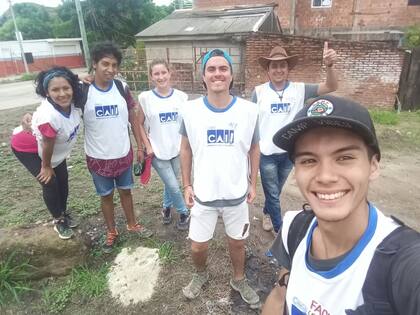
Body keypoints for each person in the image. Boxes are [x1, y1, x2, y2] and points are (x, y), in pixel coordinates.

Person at [261, 95, 420, 314]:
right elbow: (280, 296)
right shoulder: (295, 228)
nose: (325, 176)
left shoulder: (404, 265)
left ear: (373, 166)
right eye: (308, 160)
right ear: (296, 173)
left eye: (344, 157)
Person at [180, 49, 261, 308]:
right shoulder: (190, 110)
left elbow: (254, 147)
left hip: (236, 194)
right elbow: (185, 149)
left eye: (223, 68)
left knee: (237, 244)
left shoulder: (249, 111)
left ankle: (238, 279)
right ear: (202, 76)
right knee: (197, 247)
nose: (217, 73)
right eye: (211, 69)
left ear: (231, 75)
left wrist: (252, 182)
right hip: (203, 194)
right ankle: (200, 273)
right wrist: (187, 185)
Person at [252, 43, 338, 234]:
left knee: (276, 190)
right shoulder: (258, 92)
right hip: (266, 153)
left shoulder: (301, 90)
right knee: (273, 193)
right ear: (268, 70)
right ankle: (280, 230)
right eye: (274, 66)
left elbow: (332, 86)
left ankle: (267, 212)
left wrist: (330, 66)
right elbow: (250, 122)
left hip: (290, 153)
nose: (278, 69)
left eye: (282, 65)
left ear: (288, 68)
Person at [82, 41, 152, 253]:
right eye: (105, 64)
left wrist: (140, 147)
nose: (110, 69)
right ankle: (111, 230)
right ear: (95, 63)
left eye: (114, 65)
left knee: (126, 192)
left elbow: (133, 117)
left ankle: (132, 225)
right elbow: (57, 90)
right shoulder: (83, 90)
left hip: (123, 154)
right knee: (106, 196)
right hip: (97, 157)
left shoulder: (122, 87)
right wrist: (76, 77)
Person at [11, 66, 82, 239]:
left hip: (53, 151)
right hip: (29, 147)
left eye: (66, 88)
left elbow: (85, 82)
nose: (62, 93)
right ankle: (58, 220)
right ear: (47, 93)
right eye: (55, 90)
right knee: (50, 182)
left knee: (63, 180)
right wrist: (46, 167)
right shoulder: (48, 117)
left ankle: (63, 212)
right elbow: (47, 144)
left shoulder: (74, 102)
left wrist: (87, 79)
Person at [138, 59, 190, 230]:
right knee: (174, 186)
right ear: (151, 77)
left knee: (171, 183)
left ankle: (166, 208)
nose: (160, 77)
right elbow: (139, 124)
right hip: (156, 151)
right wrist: (147, 146)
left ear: (169, 73)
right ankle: (184, 212)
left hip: (177, 150)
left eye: (163, 72)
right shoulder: (145, 98)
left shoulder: (182, 97)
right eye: (156, 74)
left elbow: (186, 125)